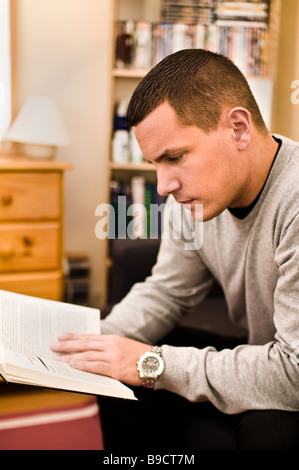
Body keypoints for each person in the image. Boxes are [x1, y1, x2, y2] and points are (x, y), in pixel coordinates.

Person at [51, 49, 299, 450]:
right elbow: (168, 289)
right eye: (154, 164)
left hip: (291, 369)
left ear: (238, 128)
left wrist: (152, 363)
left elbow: (293, 373)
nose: (163, 185)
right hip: (264, 352)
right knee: (112, 369)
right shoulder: (195, 199)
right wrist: (85, 348)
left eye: (175, 157)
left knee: (269, 433)